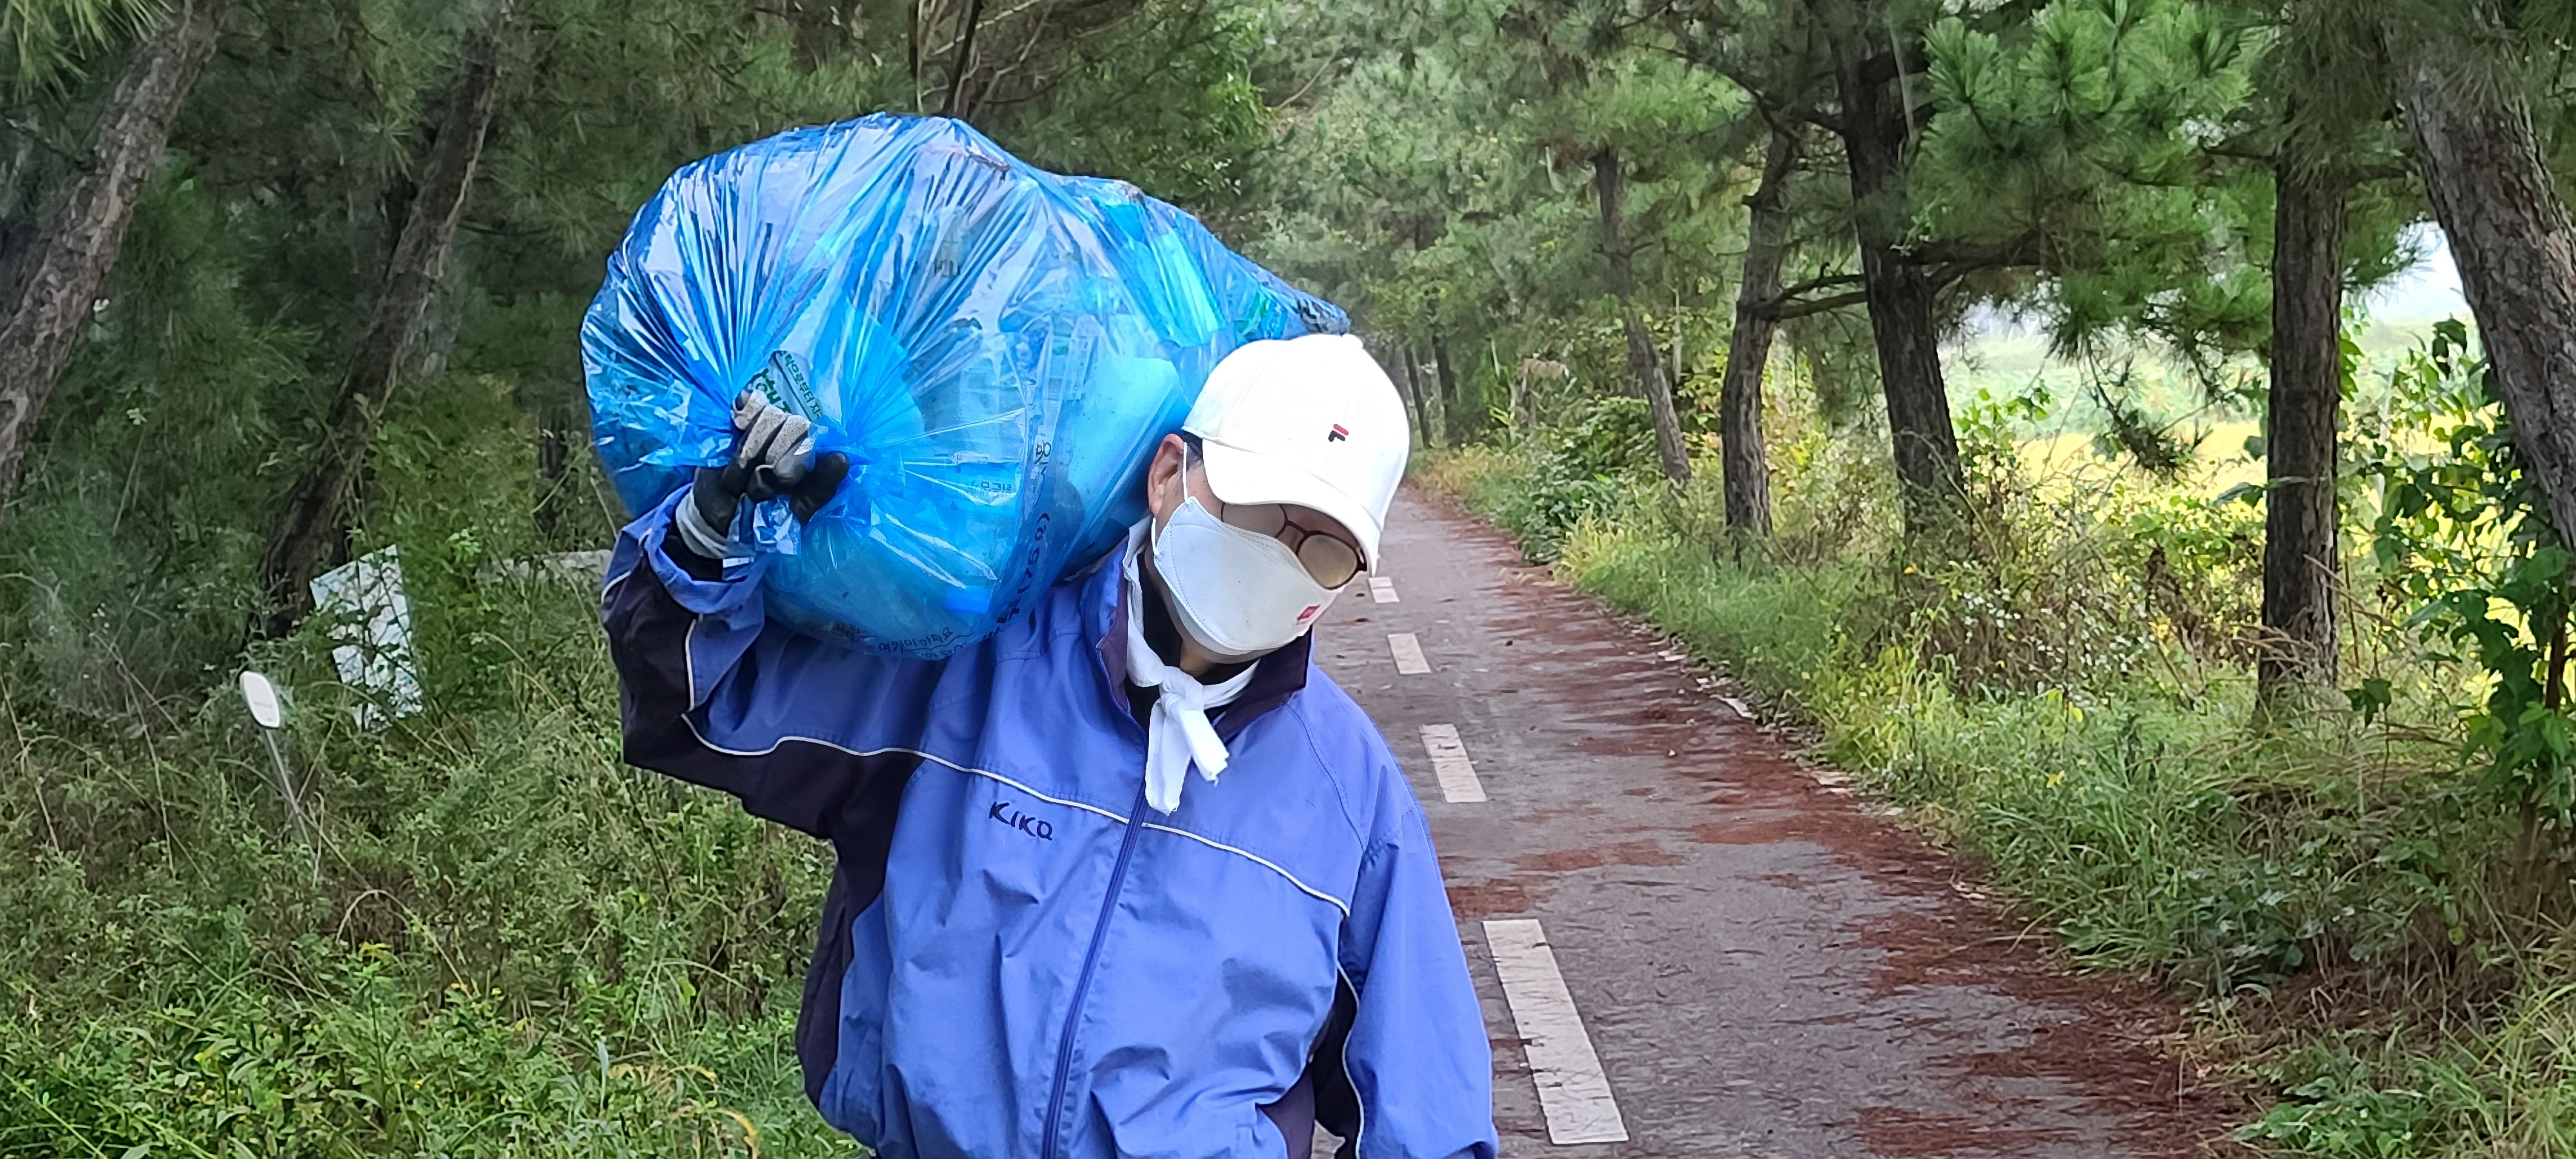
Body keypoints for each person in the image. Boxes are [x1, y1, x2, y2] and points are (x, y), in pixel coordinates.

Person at [601, 332, 1499, 1159]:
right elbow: (703, 706)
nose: (1282, 557)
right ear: (1170, 474)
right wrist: (709, 532)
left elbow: (1431, 1116)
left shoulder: (1351, 797)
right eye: (1261, 512)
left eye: (1325, 549)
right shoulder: (961, 667)